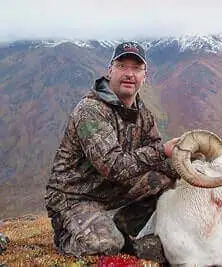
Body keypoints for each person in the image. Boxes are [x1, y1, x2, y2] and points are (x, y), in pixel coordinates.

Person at [45, 41, 180, 257]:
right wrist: (163, 151)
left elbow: (156, 158)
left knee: (167, 182)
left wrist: (189, 166)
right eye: (122, 66)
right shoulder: (90, 111)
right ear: (110, 71)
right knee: (107, 245)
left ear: (144, 76)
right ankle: (67, 235)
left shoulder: (142, 112)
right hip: (75, 197)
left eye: (136, 68)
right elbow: (114, 166)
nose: (129, 74)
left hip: (112, 191)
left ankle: (119, 224)